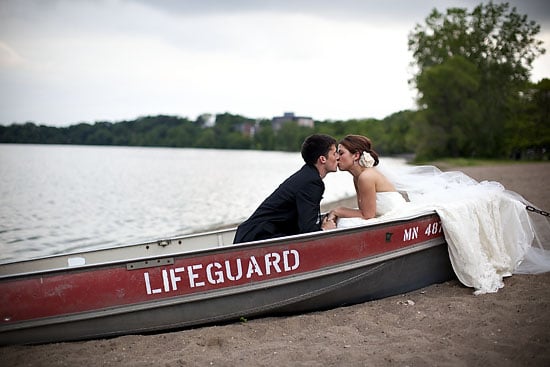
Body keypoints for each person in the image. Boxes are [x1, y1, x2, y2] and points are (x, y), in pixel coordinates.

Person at [233, 134, 339, 244]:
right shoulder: (311, 182)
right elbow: (308, 231)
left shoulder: (307, 175)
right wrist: (325, 229)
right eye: (334, 153)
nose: (338, 157)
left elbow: (304, 222)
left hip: (255, 235)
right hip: (256, 239)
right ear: (322, 159)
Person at [327, 134, 406, 223]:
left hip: (397, 217)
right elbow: (363, 211)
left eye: (341, 153)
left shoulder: (366, 177)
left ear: (356, 155)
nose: (337, 157)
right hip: (382, 216)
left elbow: (367, 215)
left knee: (344, 223)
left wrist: (338, 210)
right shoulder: (357, 178)